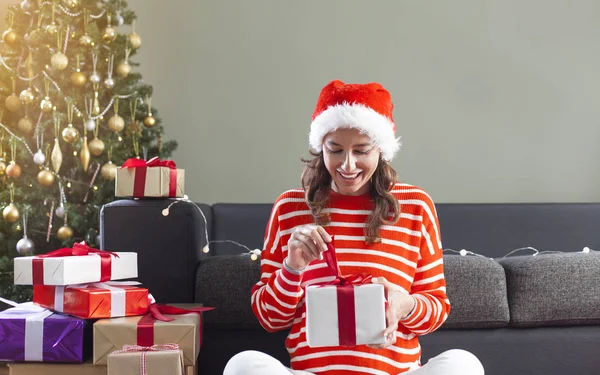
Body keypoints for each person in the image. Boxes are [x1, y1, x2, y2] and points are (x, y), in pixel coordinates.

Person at [224, 80, 484, 375]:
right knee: (242, 365)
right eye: (335, 150)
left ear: (381, 150)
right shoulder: (290, 207)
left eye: (361, 150)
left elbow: (436, 309)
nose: (348, 165)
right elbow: (270, 318)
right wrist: (292, 268)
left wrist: (405, 305)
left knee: (464, 365)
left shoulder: (416, 205)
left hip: (396, 372)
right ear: (320, 147)